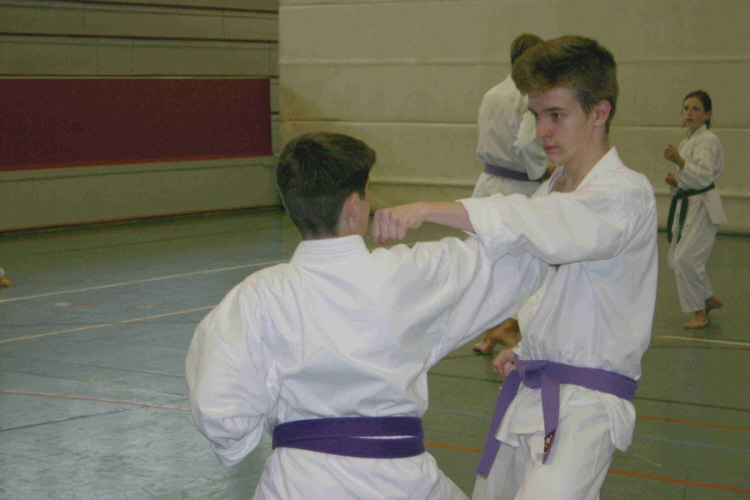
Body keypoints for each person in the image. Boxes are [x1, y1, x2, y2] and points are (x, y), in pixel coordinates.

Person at [185, 132, 547, 500]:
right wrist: (428, 208)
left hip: (297, 483)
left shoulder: (256, 295)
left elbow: (222, 414)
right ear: (353, 206)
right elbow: (526, 250)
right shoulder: (412, 274)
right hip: (403, 482)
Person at [372, 36, 658, 500]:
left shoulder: (625, 194)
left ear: (599, 112)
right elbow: (524, 272)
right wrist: (529, 345)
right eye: (536, 115)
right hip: (532, 390)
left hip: (586, 409)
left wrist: (429, 207)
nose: (542, 131)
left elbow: (545, 225)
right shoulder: (552, 190)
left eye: (557, 115)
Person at [471, 32, 549, 355]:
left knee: (492, 262)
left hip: (487, 184)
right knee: (530, 263)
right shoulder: (528, 96)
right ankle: (507, 327)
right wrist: (542, 170)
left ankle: (489, 333)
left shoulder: (492, 93)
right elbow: (527, 143)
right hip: (520, 189)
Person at [663, 90, 726, 329]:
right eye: (686, 108)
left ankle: (700, 311)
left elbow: (705, 176)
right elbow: (689, 179)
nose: (689, 112)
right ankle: (706, 297)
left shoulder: (708, 140)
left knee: (685, 259)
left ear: (707, 114)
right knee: (676, 258)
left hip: (703, 206)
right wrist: (676, 182)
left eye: (696, 109)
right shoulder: (686, 141)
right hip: (688, 204)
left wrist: (679, 161)